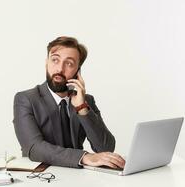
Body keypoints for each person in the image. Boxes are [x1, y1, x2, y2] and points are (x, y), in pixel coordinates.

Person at [13, 36, 125, 169]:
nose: (60, 69)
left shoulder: (85, 101)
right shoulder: (26, 99)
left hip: (77, 179)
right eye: (55, 60)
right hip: (41, 177)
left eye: (69, 63)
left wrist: (82, 108)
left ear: (78, 71)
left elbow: (106, 148)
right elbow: (34, 148)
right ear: (46, 63)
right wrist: (84, 157)